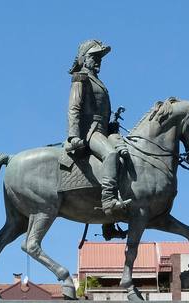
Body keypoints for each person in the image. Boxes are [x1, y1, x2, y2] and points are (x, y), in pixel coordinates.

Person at [65, 39, 131, 216]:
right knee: (111, 154)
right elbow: (74, 108)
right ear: (84, 58)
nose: (98, 60)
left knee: (127, 155)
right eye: (94, 57)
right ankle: (108, 200)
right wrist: (73, 136)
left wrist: (111, 125)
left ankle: (109, 223)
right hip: (90, 131)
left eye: (99, 57)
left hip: (103, 130)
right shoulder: (82, 78)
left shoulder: (98, 81)